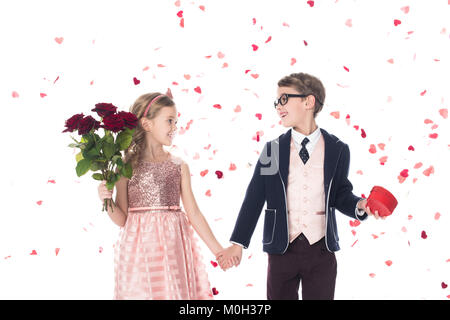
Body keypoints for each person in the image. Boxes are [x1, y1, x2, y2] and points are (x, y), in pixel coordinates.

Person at [218, 72, 384, 300]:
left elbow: (340, 194)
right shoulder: (272, 150)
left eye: (284, 99)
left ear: (309, 101)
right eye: (277, 101)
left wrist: (360, 204)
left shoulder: (338, 149)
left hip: (321, 250)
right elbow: (254, 198)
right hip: (281, 249)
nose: (278, 106)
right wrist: (238, 243)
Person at [98, 89, 224, 299]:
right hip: (140, 250)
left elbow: (194, 213)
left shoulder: (178, 165)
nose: (175, 127)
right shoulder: (126, 167)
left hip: (174, 246)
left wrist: (218, 251)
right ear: (147, 124)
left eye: (175, 121)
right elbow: (122, 219)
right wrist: (107, 200)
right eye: (170, 121)